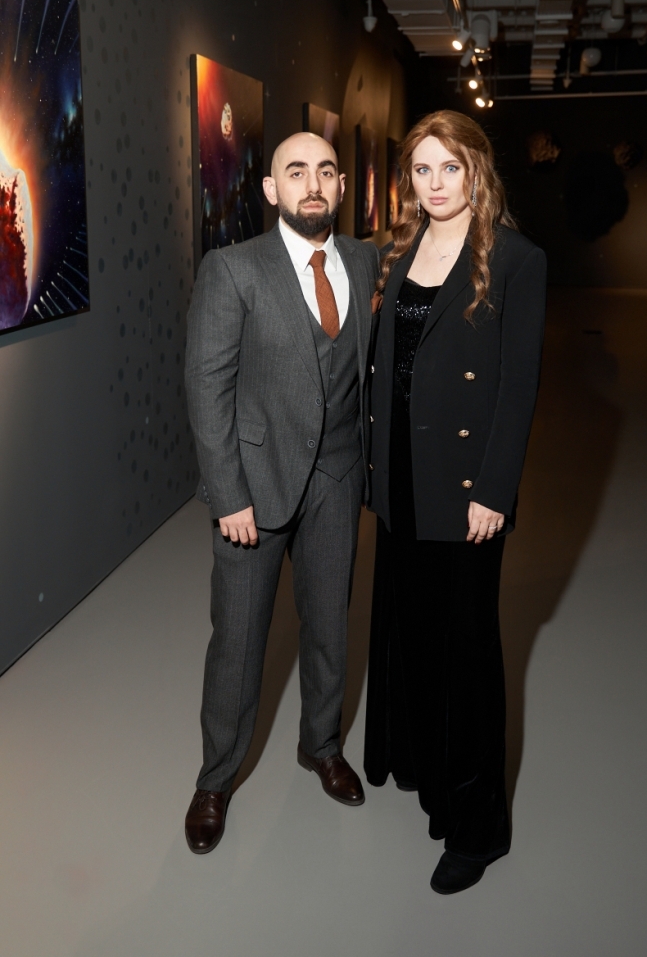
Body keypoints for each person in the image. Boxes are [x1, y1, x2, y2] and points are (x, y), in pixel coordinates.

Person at [364, 110, 546, 894]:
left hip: (465, 490)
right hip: (401, 479)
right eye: (421, 169)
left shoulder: (515, 259)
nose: (435, 184)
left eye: (449, 167)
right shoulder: (400, 248)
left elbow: (517, 386)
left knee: (466, 656)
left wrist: (493, 491)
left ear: (476, 170)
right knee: (413, 635)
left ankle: (477, 829)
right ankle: (426, 772)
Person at [184, 132, 378, 855]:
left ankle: (320, 746)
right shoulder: (233, 269)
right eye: (296, 172)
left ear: (340, 185)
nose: (313, 183)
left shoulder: (362, 260)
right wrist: (227, 495)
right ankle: (215, 779)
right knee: (238, 641)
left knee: (329, 625)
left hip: (337, 477)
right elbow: (207, 388)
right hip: (254, 489)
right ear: (271, 190)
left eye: (325, 170)